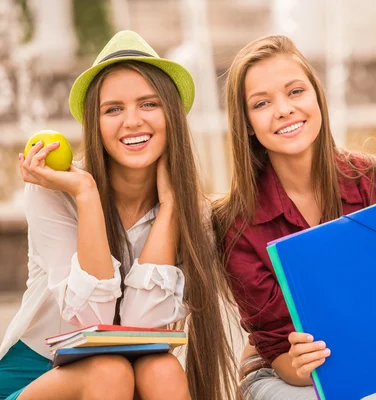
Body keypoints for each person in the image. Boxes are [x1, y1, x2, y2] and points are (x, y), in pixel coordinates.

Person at [212, 34, 376, 400]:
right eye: (262, 103)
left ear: (318, 97)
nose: (283, 109)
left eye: (296, 91)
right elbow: (275, 350)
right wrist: (299, 364)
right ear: (248, 124)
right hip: (284, 376)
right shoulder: (236, 225)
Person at [0, 30, 238, 400]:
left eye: (148, 104)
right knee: (109, 371)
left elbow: (141, 330)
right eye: (113, 109)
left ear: (171, 114)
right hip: (35, 376)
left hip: (122, 377)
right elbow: (93, 324)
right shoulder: (55, 191)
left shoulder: (193, 214)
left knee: (160, 367)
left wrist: (171, 208)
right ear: (94, 124)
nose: (132, 121)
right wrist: (87, 195)